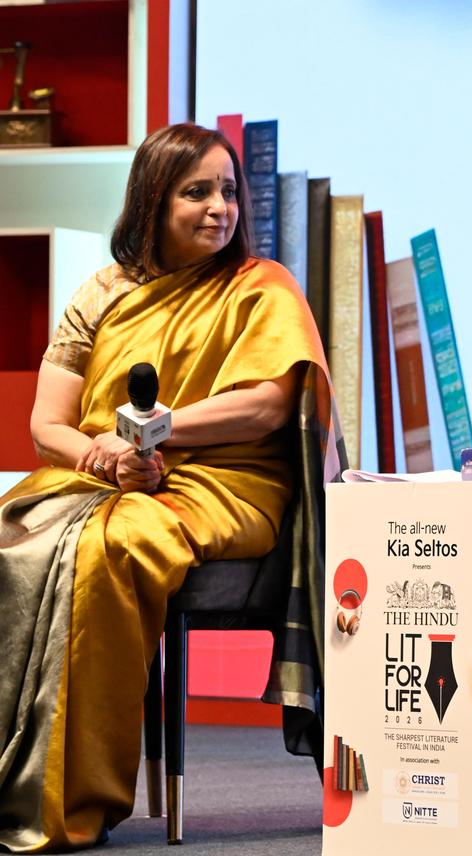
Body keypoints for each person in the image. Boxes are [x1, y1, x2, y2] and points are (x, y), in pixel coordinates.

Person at [0, 123, 343, 851]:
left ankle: (67, 796)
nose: (220, 207)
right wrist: (107, 458)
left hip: (227, 485)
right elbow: (47, 426)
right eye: (197, 192)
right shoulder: (102, 293)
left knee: (112, 545)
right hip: (101, 479)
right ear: (153, 200)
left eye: (229, 191)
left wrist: (152, 433)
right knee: (9, 535)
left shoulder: (262, 287)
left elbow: (267, 407)